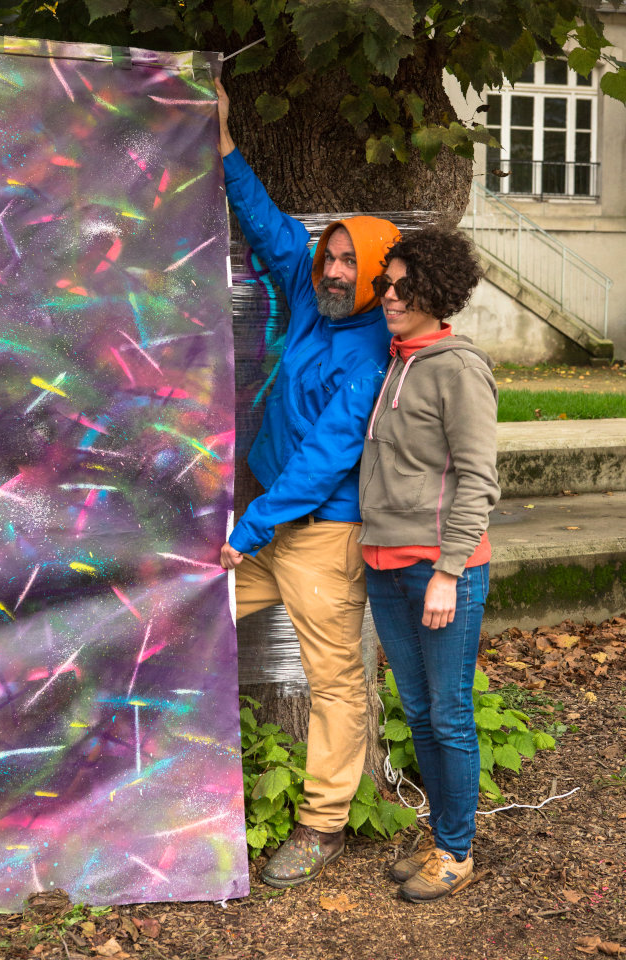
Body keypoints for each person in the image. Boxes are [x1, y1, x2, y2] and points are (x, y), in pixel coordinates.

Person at [214, 78, 401, 888]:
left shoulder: (367, 352)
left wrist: (250, 529)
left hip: (324, 534)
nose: (331, 269)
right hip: (264, 518)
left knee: (333, 681)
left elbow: (327, 458)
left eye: (348, 263)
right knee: (193, 609)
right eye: (329, 254)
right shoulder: (308, 291)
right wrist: (222, 141)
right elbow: (264, 224)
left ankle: (321, 823)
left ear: (377, 276)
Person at [358, 228, 500, 902]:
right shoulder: (397, 358)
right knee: (415, 709)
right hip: (384, 565)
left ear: (436, 292)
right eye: (385, 282)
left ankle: (458, 850)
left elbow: (478, 480)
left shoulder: (458, 367)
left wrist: (447, 571)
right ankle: (443, 832)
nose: (388, 294)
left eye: (402, 284)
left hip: (442, 571)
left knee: (447, 713)